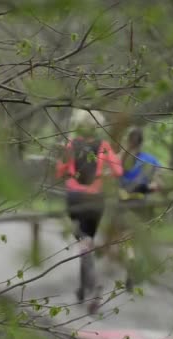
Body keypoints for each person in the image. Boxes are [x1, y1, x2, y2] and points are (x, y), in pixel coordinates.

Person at [56, 108, 123, 313]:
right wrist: (102, 174)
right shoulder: (103, 147)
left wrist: (65, 159)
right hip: (96, 199)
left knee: (84, 243)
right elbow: (118, 171)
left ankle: (93, 286)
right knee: (87, 243)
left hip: (75, 199)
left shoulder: (71, 145)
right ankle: (83, 288)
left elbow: (59, 172)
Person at [111, 126, 161, 291]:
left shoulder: (121, 159)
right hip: (142, 204)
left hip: (124, 203)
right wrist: (147, 187)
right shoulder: (151, 160)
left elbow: (110, 174)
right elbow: (157, 184)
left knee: (126, 239)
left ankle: (130, 259)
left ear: (128, 141)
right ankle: (136, 262)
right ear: (142, 141)